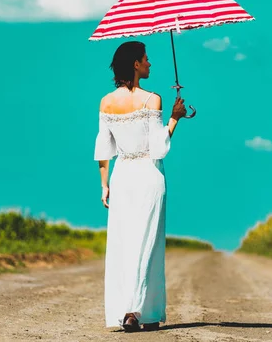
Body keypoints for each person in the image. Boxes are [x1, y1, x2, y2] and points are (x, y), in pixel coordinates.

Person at [93, 41, 187, 332]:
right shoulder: (152, 99)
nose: (150, 64)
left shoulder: (106, 102)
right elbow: (158, 148)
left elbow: (103, 149)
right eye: (146, 59)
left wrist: (105, 186)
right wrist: (175, 117)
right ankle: (139, 311)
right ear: (135, 64)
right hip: (148, 175)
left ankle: (129, 309)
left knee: (124, 243)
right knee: (148, 244)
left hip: (122, 176)